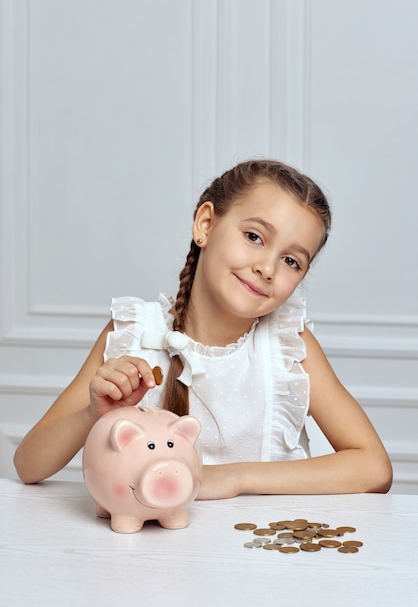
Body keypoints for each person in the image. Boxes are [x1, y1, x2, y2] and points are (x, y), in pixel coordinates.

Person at [14, 159, 392, 497]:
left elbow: (374, 467)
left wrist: (232, 479)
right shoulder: (132, 332)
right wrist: (93, 415)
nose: (267, 267)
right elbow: (28, 465)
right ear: (206, 225)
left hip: (258, 558)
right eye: (254, 237)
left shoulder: (289, 346)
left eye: (292, 261)